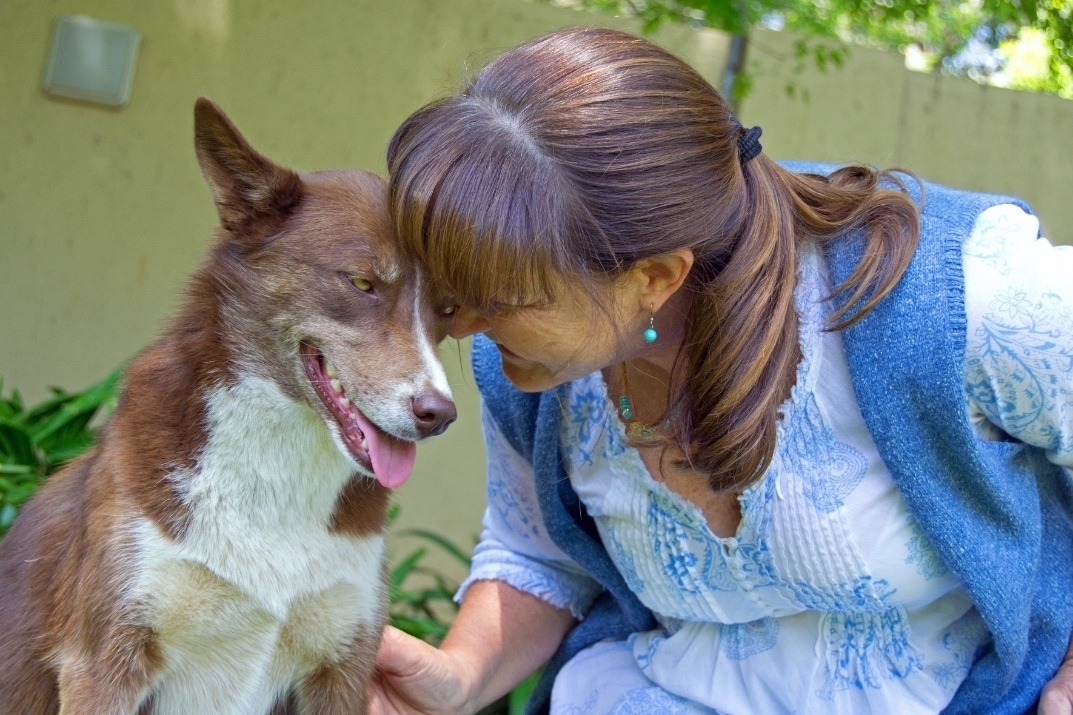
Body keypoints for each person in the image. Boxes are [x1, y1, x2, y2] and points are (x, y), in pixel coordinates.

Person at [370, 27, 1073, 715]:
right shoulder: (538, 375)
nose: (456, 328)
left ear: (654, 277)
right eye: (450, 291)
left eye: (499, 301)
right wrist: (457, 678)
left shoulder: (952, 300)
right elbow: (542, 554)